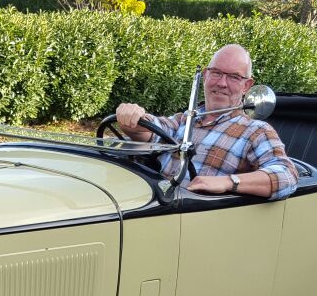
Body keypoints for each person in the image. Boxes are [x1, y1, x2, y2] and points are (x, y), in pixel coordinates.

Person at [114, 44, 298, 199]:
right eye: (216, 73)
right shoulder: (184, 119)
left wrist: (229, 182)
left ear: (246, 86)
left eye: (234, 77)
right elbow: (151, 130)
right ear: (205, 75)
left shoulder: (256, 131)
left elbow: (287, 175)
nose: (222, 83)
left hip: (200, 217)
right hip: (153, 205)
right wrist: (132, 117)